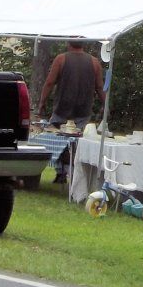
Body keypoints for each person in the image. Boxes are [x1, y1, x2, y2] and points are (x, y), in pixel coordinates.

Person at [37, 41, 104, 183]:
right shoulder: (94, 62)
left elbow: (50, 82)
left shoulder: (61, 59)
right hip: (83, 111)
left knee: (56, 141)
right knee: (77, 145)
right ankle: (74, 174)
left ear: (68, 43)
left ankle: (61, 171)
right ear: (84, 44)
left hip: (62, 110)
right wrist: (106, 105)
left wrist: (42, 102)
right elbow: (99, 87)